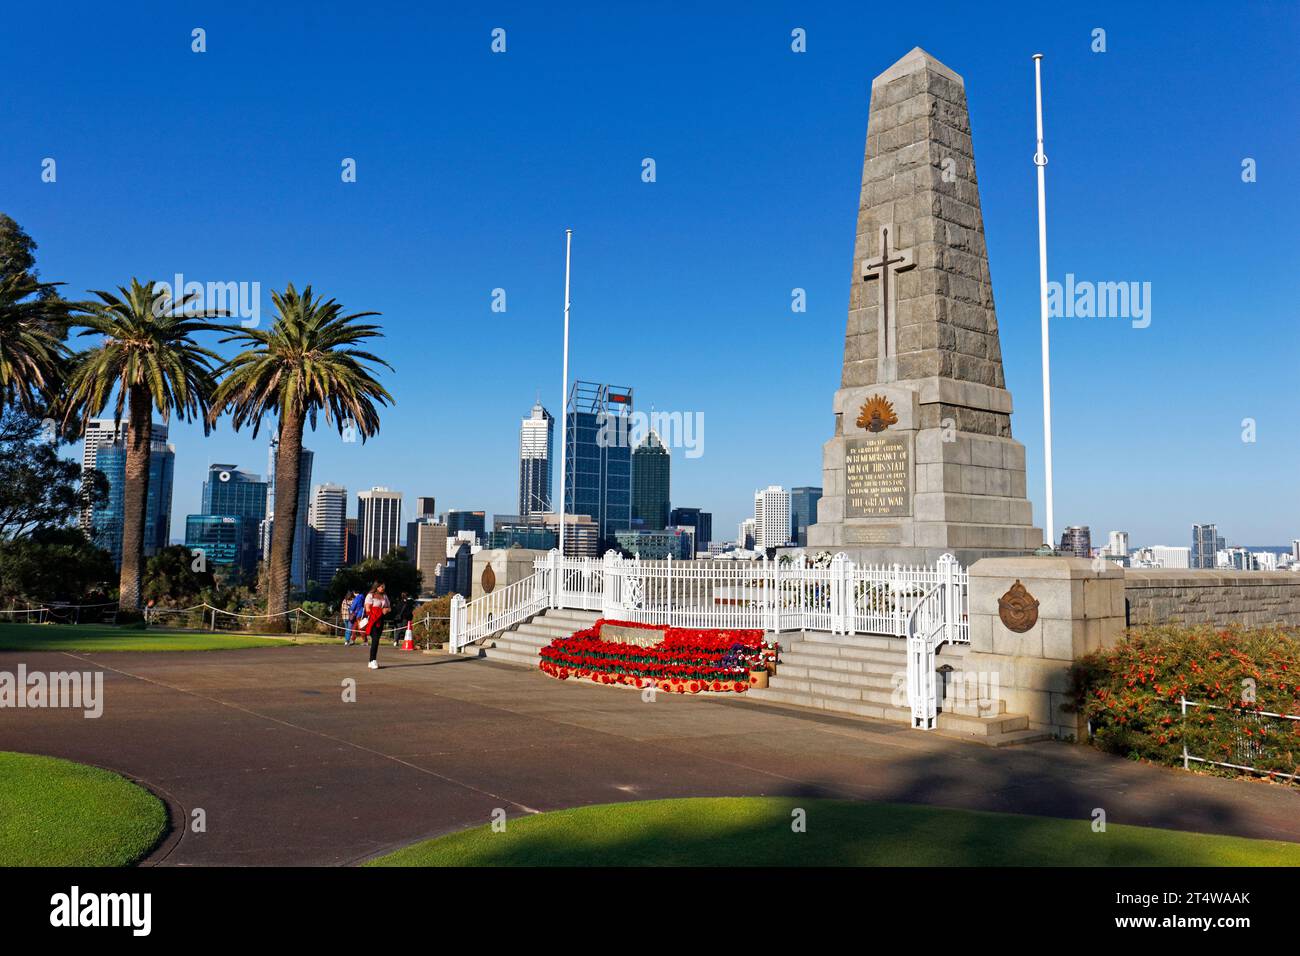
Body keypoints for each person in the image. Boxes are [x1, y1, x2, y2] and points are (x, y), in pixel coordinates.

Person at [363, 582, 391, 670]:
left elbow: (389, 607)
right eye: (381, 586)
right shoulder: (370, 595)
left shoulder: (385, 596)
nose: (382, 588)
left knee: (377, 640)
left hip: (380, 620)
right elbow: (368, 609)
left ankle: (371, 660)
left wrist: (386, 610)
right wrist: (380, 611)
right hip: (372, 620)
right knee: (375, 639)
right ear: (376, 587)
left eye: (384, 586)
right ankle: (373, 660)